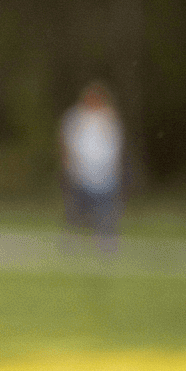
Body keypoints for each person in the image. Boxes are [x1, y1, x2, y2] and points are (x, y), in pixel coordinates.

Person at [60, 82, 124, 255]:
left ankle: (105, 245)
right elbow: (66, 143)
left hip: (104, 174)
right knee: (76, 212)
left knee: (105, 211)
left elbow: (115, 146)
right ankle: (72, 244)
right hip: (80, 173)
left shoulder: (109, 118)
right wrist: (70, 167)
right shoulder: (75, 117)